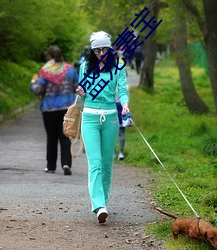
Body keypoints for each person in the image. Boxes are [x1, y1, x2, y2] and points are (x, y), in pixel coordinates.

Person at [76, 31, 129, 223]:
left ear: (110, 48)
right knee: (95, 163)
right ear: (92, 50)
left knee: (107, 164)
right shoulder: (85, 67)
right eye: (96, 50)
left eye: (104, 49)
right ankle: (98, 205)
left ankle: (103, 201)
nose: (100, 53)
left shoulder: (118, 67)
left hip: (111, 118)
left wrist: (125, 104)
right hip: (89, 117)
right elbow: (82, 96)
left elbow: (122, 90)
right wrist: (81, 91)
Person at [30, 45, 78, 175]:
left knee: (51, 138)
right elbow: (77, 87)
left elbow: (38, 90)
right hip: (66, 109)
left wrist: (33, 83)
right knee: (65, 137)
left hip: (49, 109)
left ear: (49, 57)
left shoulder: (45, 71)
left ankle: (51, 167)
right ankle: (66, 163)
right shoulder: (70, 70)